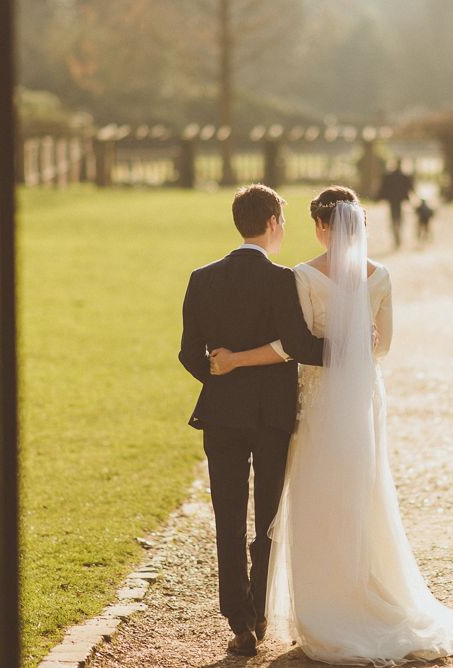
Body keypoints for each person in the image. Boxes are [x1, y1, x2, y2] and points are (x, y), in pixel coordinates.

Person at [209, 186, 453, 664]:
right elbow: (384, 347)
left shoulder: (303, 275)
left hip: (315, 398)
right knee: (364, 491)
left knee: (314, 495)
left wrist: (237, 360)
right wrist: (358, 341)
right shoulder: (381, 277)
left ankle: (321, 608)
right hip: (360, 397)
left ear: (320, 226)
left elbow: (296, 343)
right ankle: (366, 593)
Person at [178, 184, 325, 657]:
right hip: (271, 415)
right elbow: (300, 346)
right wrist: (351, 344)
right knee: (266, 515)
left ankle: (238, 620)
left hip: (221, 414)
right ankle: (259, 611)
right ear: (273, 223)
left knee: (227, 514)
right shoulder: (282, 279)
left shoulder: (201, 277)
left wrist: (218, 374)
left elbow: (187, 353)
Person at [377, 161, 414, 249]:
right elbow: (410, 187)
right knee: (400, 217)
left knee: (393, 217)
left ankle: (395, 233)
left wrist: (379, 197)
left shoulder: (388, 176)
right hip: (400, 200)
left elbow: (383, 187)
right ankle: (398, 233)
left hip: (392, 200)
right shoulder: (404, 176)